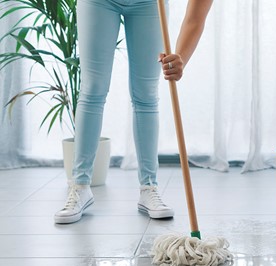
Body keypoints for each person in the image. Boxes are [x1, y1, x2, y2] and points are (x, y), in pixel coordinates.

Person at [54, 0, 213, 224]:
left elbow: (196, 17)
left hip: (148, 4)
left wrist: (181, 60)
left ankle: (149, 188)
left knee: (146, 94)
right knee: (93, 89)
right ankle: (80, 186)